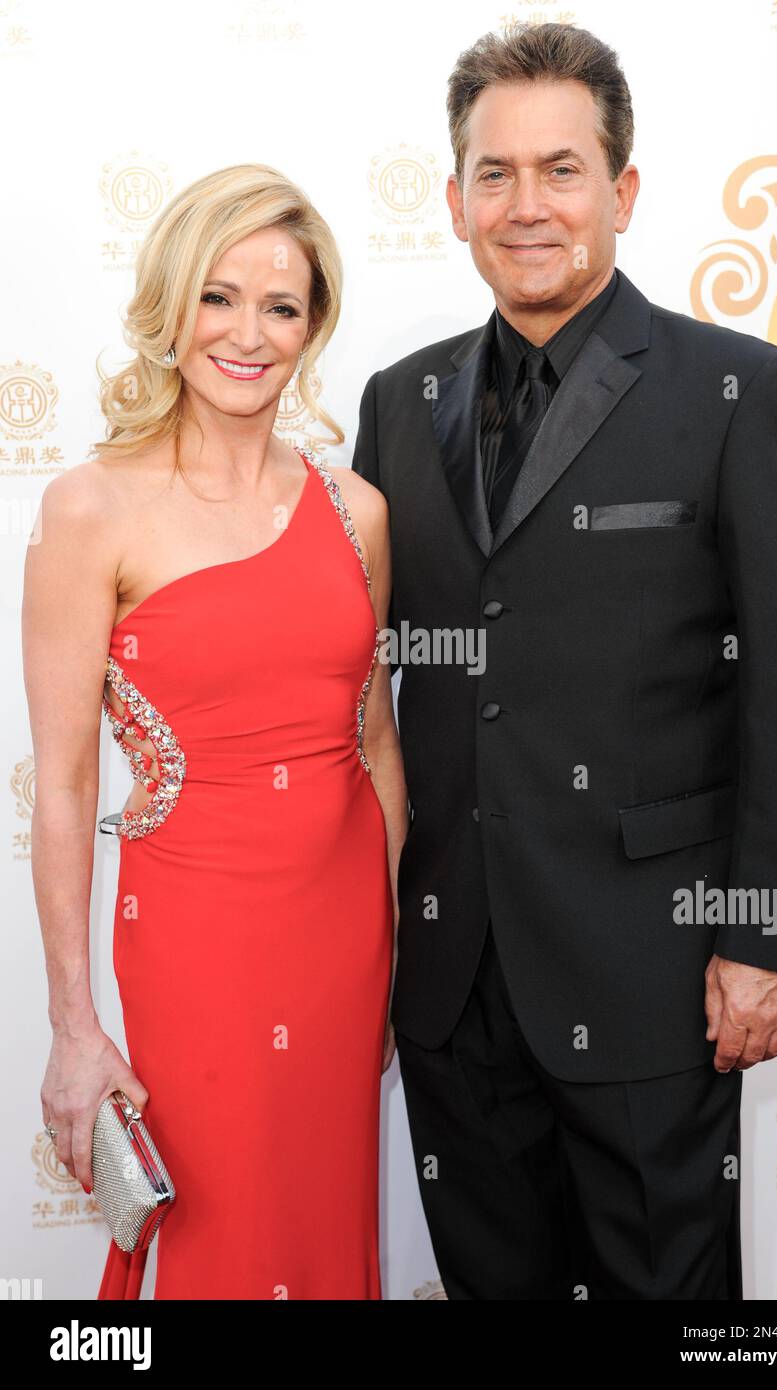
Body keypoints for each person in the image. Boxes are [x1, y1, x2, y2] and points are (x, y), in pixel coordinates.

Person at [352, 23, 777, 1299]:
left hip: (655, 969)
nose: (527, 206)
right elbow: (360, 678)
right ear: (455, 194)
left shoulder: (741, 390)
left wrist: (768, 939)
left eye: (561, 170)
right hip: (452, 976)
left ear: (622, 192)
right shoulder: (395, 405)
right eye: (495, 172)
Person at [23, 163, 407, 1299]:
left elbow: (376, 743)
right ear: (170, 305)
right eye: (219, 296)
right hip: (193, 932)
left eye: (281, 306)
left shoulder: (356, 511)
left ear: (314, 326)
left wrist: (397, 957)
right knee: (217, 1223)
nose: (248, 333)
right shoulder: (89, 508)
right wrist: (74, 1025)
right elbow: (59, 786)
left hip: (346, 942)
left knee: (322, 1215)